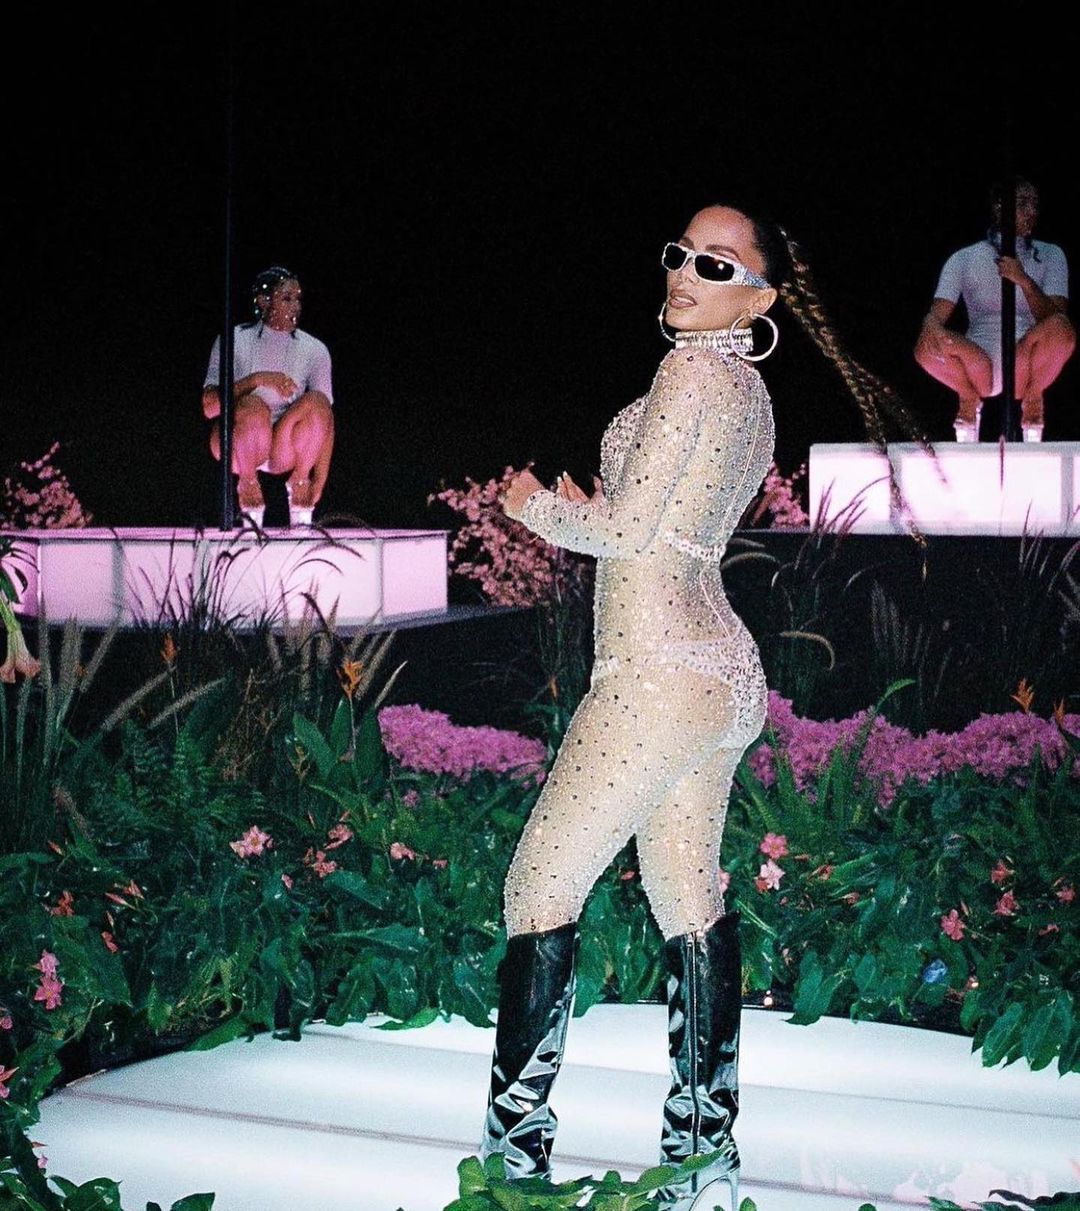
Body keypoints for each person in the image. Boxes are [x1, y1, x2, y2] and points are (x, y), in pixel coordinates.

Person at [483, 204, 921, 1211]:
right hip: (719, 670)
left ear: (759, 299)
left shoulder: (689, 373)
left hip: (657, 669)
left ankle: (511, 1166)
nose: (685, 272)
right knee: (688, 898)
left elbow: (633, 534)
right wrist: (596, 507)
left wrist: (531, 505)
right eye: (680, 254)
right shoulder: (750, 392)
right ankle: (701, 1159)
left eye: (716, 264)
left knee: (537, 888)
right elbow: (676, 524)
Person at [914, 178, 1074, 442]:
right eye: (1023, 203)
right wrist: (931, 326)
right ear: (1000, 207)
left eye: (1035, 204)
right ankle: (967, 395)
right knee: (925, 346)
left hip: (1025, 361)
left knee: (1062, 329)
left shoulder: (1051, 254)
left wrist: (1023, 280)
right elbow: (936, 316)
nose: (1031, 211)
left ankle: (1034, 398)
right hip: (978, 363)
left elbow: (1056, 318)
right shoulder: (964, 257)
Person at [202, 266, 335, 527]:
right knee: (253, 406)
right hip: (238, 443)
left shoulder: (315, 350)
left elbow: (326, 420)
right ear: (264, 301)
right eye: (286, 298)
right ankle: (248, 486)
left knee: (318, 401)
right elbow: (209, 408)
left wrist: (318, 480)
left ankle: (299, 489)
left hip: (283, 448)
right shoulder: (234, 339)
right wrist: (257, 380)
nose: (295, 306)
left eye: (298, 299)